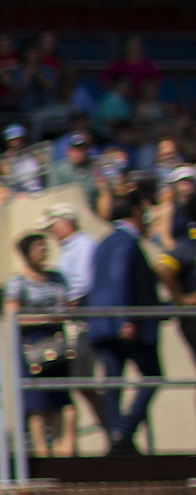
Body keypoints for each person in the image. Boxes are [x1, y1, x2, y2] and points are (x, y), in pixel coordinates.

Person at [87, 190, 162, 456]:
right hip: (125, 326)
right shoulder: (125, 242)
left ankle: (118, 442)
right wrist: (125, 318)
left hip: (103, 325)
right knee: (152, 376)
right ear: (136, 212)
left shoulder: (103, 243)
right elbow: (118, 279)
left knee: (112, 383)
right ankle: (122, 433)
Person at [3, 232, 76, 458]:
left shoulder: (57, 277)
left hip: (57, 340)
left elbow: (67, 306)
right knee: (37, 399)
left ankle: (59, 447)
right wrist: (45, 318)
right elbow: (12, 315)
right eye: (37, 247)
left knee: (58, 397)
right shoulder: (18, 282)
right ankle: (41, 449)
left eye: (44, 246)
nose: (43, 250)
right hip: (32, 343)